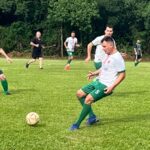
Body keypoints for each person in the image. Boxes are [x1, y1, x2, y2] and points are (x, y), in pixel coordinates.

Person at [70, 36, 126, 130]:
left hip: (106, 85)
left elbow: (122, 75)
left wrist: (112, 87)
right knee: (79, 94)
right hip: (99, 81)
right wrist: (94, 73)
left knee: (88, 99)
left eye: (104, 46)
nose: (103, 49)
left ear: (111, 45)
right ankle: (92, 117)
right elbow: (104, 68)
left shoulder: (117, 57)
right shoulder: (108, 55)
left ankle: (76, 125)